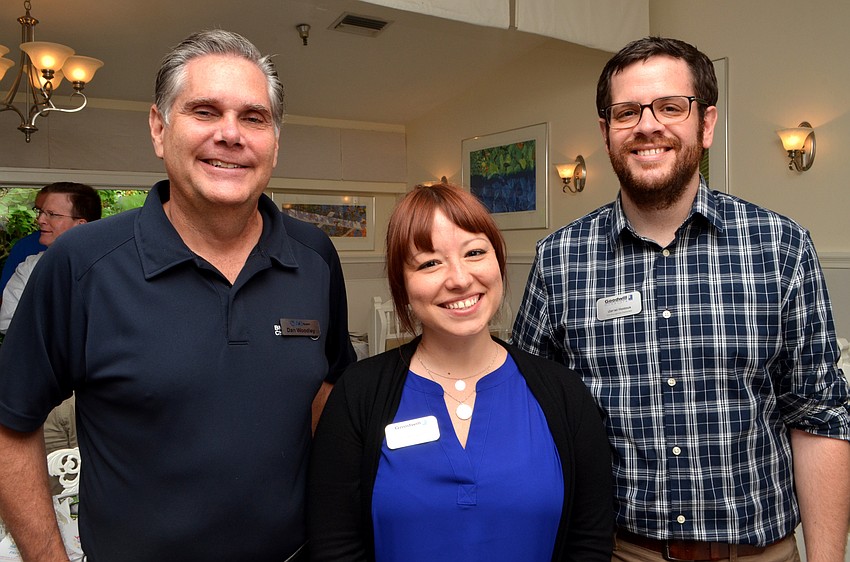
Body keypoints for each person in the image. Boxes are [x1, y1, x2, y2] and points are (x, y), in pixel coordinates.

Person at [0, 29, 356, 562]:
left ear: (275, 143)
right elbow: (10, 424)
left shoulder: (315, 256)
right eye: (205, 112)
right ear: (159, 128)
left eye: (254, 117)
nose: (231, 135)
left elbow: (328, 384)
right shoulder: (80, 264)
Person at [511, 36, 850, 562]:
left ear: (706, 124)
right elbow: (531, 420)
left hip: (758, 551)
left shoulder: (781, 247)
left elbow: (819, 417)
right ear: (606, 133)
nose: (648, 125)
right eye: (627, 112)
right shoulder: (559, 260)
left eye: (671, 107)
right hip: (618, 551)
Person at [309, 182, 613, 561]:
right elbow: (334, 544)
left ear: (498, 263)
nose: (459, 278)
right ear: (402, 285)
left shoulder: (563, 393)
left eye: (474, 252)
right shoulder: (358, 393)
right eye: (429, 263)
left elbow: (589, 540)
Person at [0, 182, 101, 333]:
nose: (40, 220)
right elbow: (8, 323)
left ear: (80, 224)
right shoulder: (30, 266)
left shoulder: (111, 266)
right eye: (40, 212)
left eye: (52, 214)